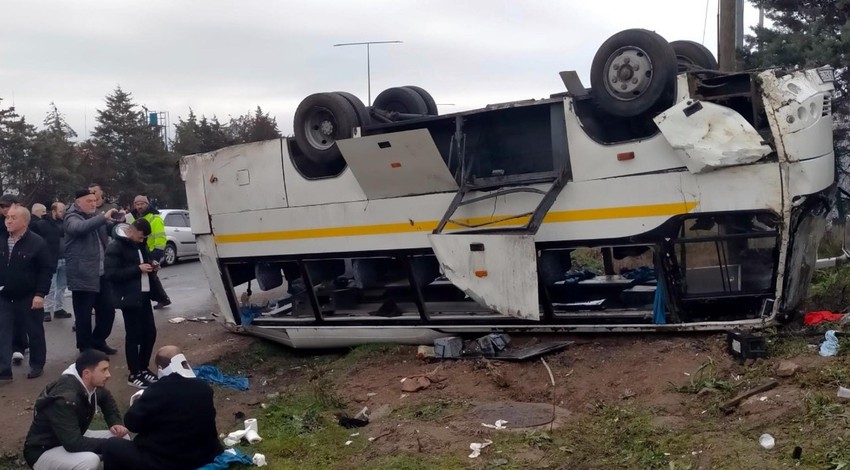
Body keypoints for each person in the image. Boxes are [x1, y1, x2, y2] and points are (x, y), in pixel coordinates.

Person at [101, 346, 222, 470]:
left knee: (112, 445)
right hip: (205, 455)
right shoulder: (204, 388)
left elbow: (132, 424)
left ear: (160, 368)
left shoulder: (157, 391)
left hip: (168, 461)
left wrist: (140, 402)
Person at [23, 349, 128, 470]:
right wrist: (111, 445)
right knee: (90, 461)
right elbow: (73, 444)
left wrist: (115, 422)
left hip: (69, 437)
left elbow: (105, 398)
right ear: (87, 374)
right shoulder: (66, 399)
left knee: (122, 437)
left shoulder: (86, 383)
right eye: (103, 370)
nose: (108, 374)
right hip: (43, 451)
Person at [65, 189, 123, 355]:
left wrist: (117, 221)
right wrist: (103, 218)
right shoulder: (71, 217)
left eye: (94, 200)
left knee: (108, 311)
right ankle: (85, 348)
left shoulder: (95, 216)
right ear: (78, 202)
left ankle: (98, 340)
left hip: (102, 274)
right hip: (82, 274)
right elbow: (80, 229)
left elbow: (109, 231)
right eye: (89, 201)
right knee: (83, 316)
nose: (93, 204)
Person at [0, 206, 53, 381]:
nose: (8, 220)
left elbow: (46, 270)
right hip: (5, 295)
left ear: (25, 221)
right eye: (7, 217)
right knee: (3, 332)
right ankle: (4, 370)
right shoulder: (2, 239)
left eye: (13, 217)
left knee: (34, 331)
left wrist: (40, 294)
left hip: (29, 296)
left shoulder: (37, 243)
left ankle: (37, 365)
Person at [105, 219, 158, 388]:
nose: (143, 241)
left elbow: (144, 260)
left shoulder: (140, 244)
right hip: (128, 297)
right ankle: (134, 373)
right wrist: (138, 269)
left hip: (144, 295)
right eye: (141, 237)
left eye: (144, 238)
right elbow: (111, 274)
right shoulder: (116, 246)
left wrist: (152, 265)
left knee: (150, 333)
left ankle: (143, 368)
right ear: (131, 231)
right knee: (134, 335)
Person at [129, 195, 171, 309]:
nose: (139, 206)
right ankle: (162, 298)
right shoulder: (133, 218)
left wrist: (156, 256)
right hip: (139, 252)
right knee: (149, 277)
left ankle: (162, 298)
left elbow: (160, 238)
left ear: (147, 204)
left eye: (142, 204)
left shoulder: (155, 218)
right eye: (137, 204)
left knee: (150, 277)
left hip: (151, 253)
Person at [39, 202, 72, 322]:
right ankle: (46, 310)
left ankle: (59, 308)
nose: (63, 213)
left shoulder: (65, 223)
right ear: (53, 211)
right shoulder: (43, 224)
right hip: (51, 259)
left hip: (65, 258)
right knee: (50, 287)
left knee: (62, 286)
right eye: (61, 210)